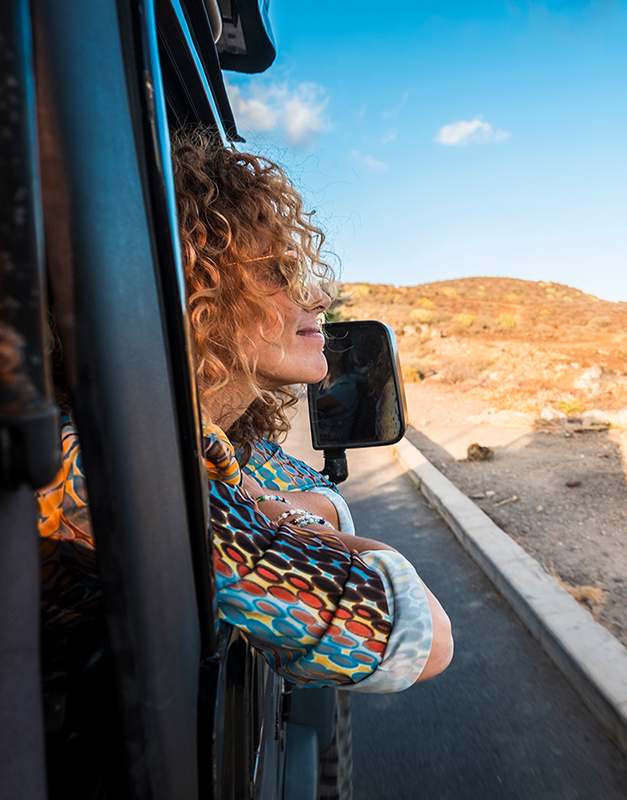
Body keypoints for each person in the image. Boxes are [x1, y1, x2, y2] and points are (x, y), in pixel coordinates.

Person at [38, 127, 451, 697]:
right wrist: (285, 518)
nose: (319, 299)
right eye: (279, 273)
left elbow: (315, 494)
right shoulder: (115, 470)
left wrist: (275, 508)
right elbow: (418, 638)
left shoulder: (202, 437)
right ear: (190, 293)